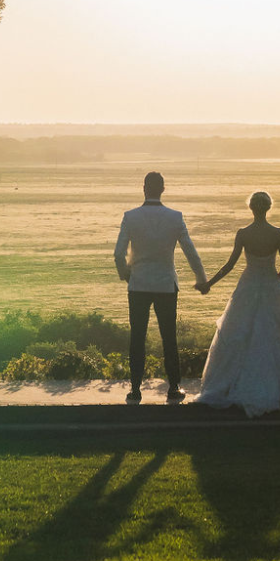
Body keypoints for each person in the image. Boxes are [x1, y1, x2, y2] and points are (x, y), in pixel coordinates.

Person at [196, 191, 280, 417]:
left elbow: (230, 265)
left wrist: (209, 284)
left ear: (251, 208)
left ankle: (237, 382)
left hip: (248, 285)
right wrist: (273, 281)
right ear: (268, 208)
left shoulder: (243, 233)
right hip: (271, 285)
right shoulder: (277, 233)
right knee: (278, 334)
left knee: (240, 333)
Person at [114, 171, 207, 404]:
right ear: (163, 189)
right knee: (169, 337)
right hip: (166, 284)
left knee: (137, 337)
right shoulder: (175, 217)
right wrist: (201, 278)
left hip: (138, 284)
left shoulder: (130, 216)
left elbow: (118, 253)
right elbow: (190, 252)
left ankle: (135, 390)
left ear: (143, 188)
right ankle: (174, 387)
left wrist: (125, 273)